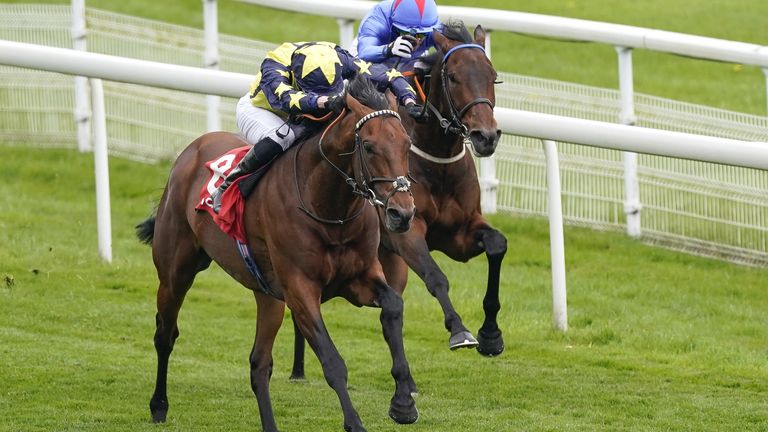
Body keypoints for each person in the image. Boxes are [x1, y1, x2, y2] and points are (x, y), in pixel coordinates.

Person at [211, 41, 426, 214]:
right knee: (283, 137)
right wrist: (324, 102)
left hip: (306, 106)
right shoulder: (274, 66)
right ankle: (229, 186)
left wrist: (409, 101)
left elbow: (390, 76)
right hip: (265, 110)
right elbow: (289, 100)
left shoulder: (339, 59)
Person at [354, 0, 443, 70]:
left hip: (412, 60)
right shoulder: (377, 21)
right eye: (408, 33)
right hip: (371, 55)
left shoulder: (434, 27)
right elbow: (364, 52)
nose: (416, 40)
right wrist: (388, 49)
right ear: (395, 25)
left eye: (422, 34)